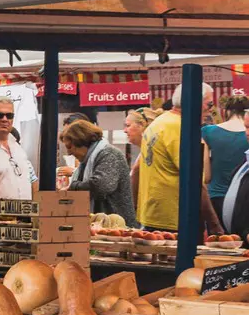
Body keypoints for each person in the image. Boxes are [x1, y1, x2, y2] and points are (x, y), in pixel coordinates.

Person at [136, 102, 221, 233]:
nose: (210, 110)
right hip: (175, 219)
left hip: (154, 214)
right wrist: (214, 224)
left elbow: (137, 169)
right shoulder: (179, 127)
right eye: (209, 104)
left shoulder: (159, 123)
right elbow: (194, 180)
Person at [63, 118, 136, 225]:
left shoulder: (110, 154)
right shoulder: (87, 161)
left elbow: (101, 185)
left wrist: (73, 186)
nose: (69, 153)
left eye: (70, 147)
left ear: (81, 141)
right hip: (100, 225)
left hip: (116, 226)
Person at [206, 94, 249, 208]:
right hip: (243, 196)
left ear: (226, 111)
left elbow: (206, 176)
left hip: (216, 195)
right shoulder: (246, 134)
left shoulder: (207, 132)